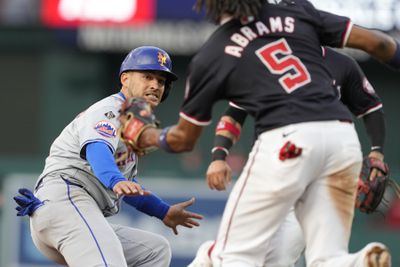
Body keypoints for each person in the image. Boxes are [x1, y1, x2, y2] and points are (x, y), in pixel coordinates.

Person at [133, 1, 400, 266]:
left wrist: (147, 135)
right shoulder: (297, 11)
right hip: (342, 139)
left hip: (286, 143)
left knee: (235, 255)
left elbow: (183, 138)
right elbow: (379, 44)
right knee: (326, 257)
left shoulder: (214, 53)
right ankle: (362, 260)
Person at [188, 46, 387, 267]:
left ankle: (360, 261)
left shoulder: (341, 64)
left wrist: (377, 150)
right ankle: (210, 254)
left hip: (312, 179)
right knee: (235, 255)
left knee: (279, 260)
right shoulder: (266, 61)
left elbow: (372, 107)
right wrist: (219, 155)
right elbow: (234, 114)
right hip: (270, 170)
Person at [15, 46, 203, 267]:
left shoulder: (133, 126)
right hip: (67, 200)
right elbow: (98, 151)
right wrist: (116, 180)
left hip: (73, 213)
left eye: (161, 81)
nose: (155, 85)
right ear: (125, 78)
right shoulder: (110, 109)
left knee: (154, 250)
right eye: (148, 76)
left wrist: (163, 211)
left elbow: (130, 190)